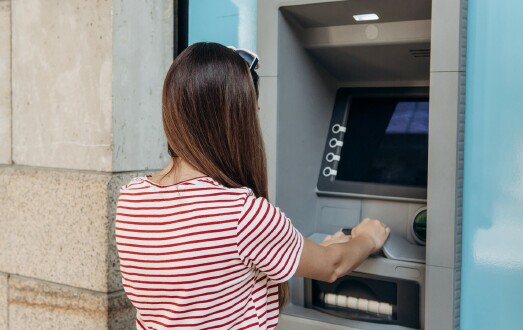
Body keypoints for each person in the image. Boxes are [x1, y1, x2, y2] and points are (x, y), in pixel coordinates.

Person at [115, 42, 390, 329]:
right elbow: (332, 266)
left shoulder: (131, 198)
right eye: (252, 113)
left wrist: (307, 248)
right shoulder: (242, 213)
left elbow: (212, 271)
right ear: (235, 121)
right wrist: (367, 237)